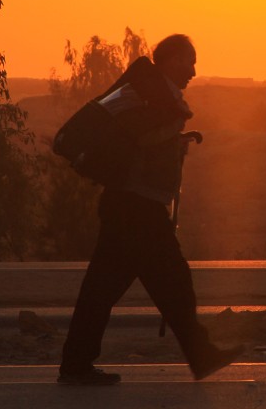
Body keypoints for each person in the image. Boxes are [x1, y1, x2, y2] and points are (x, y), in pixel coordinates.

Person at [58, 34, 242, 386]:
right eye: (189, 61)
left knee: (104, 290)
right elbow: (138, 139)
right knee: (173, 282)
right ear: (171, 60)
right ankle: (199, 354)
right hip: (136, 208)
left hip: (129, 206)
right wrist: (171, 136)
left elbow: (137, 141)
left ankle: (76, 364)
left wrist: (174, 142)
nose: (193, 70)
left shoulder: (147, 94)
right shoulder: (145, 95)